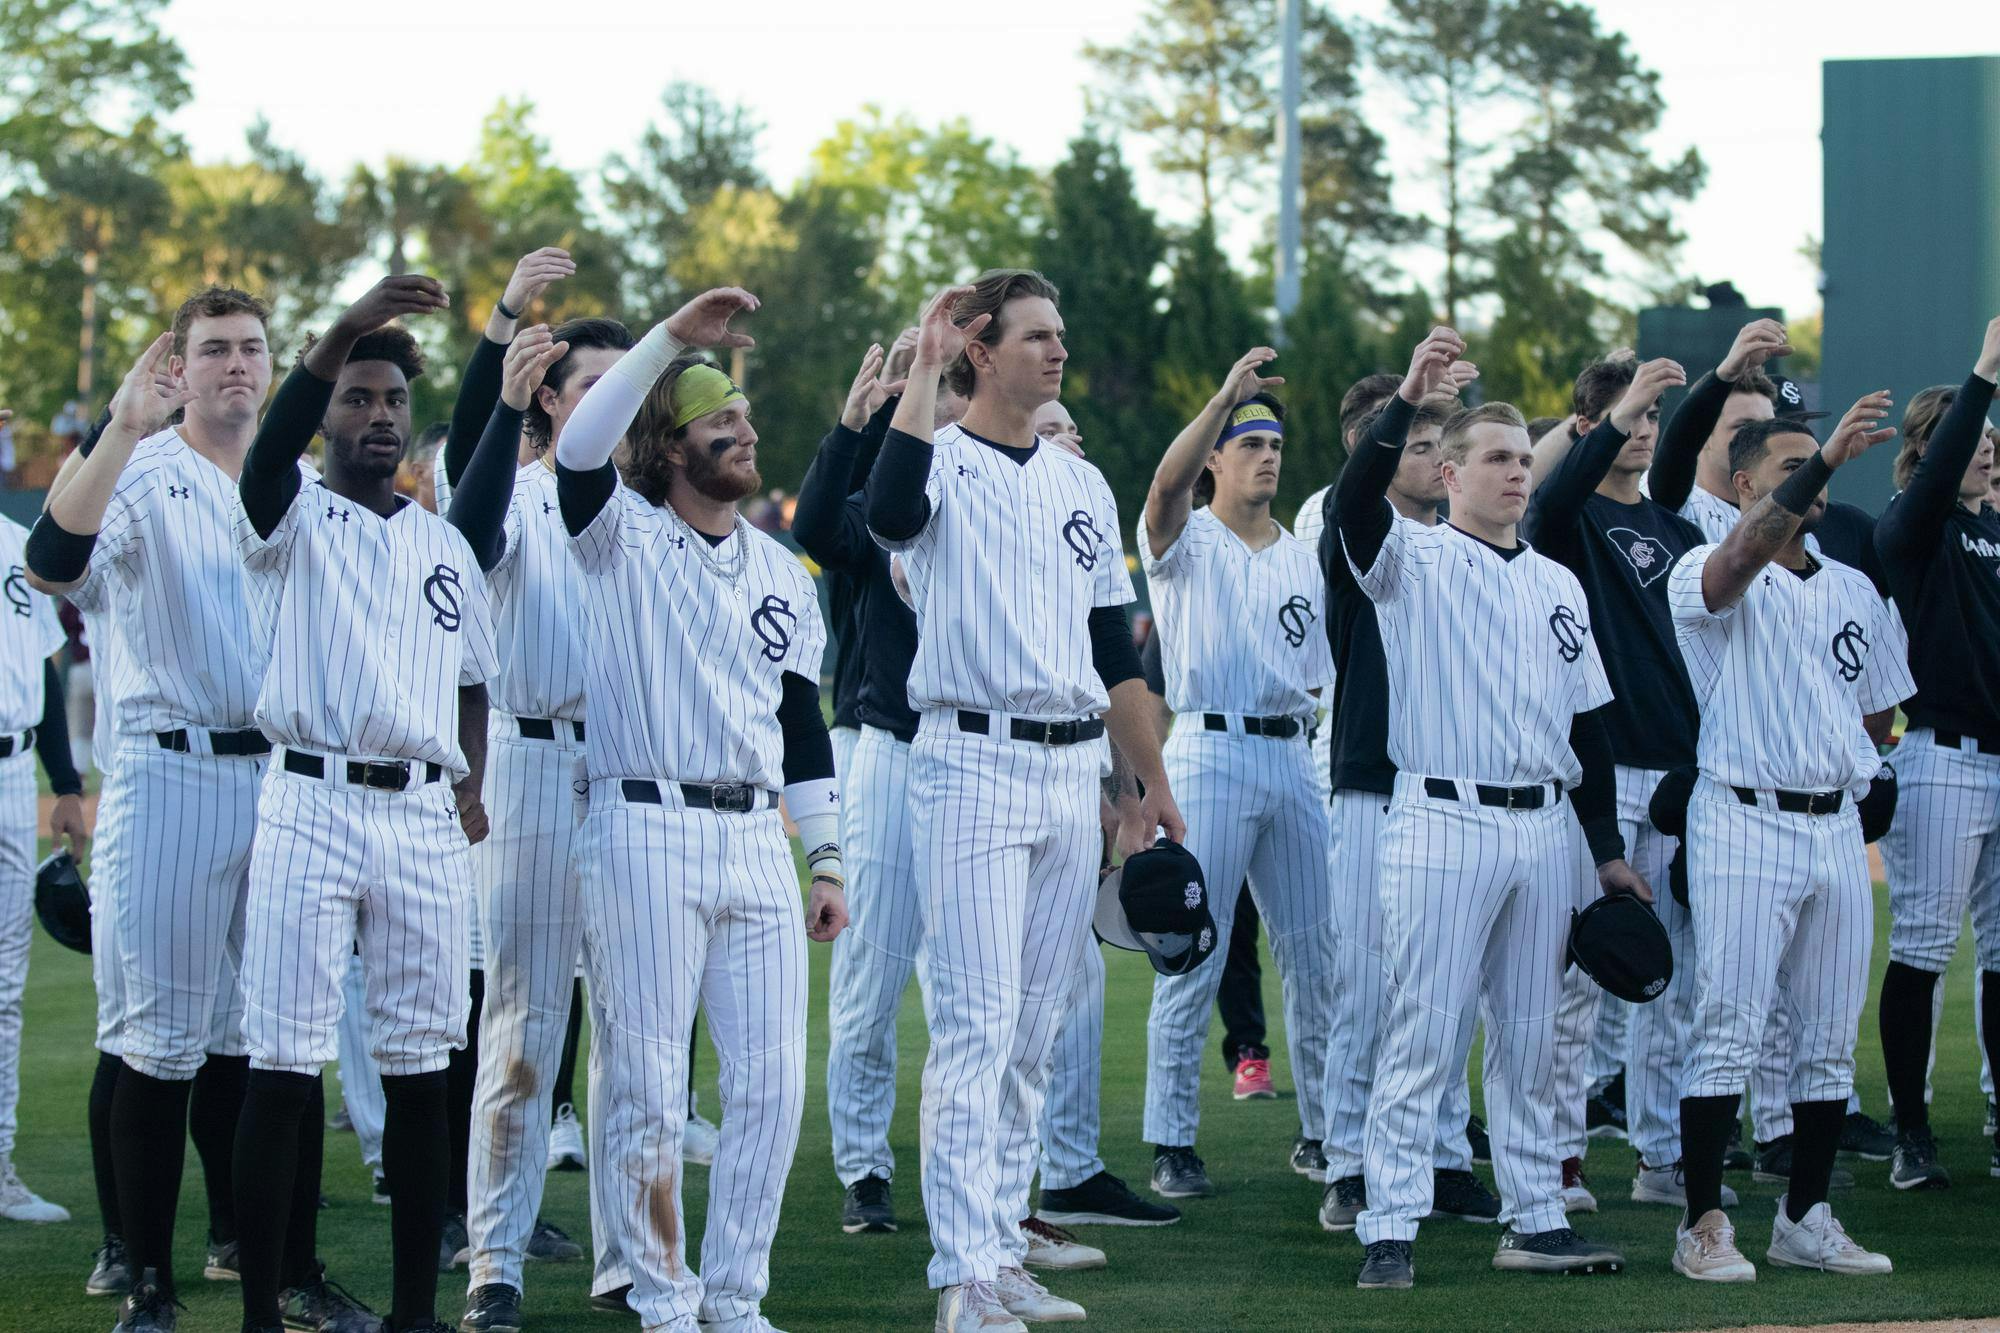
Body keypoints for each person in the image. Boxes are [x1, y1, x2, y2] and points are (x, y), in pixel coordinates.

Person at [25, 290, 352, 1332]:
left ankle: (287, 1269)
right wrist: (120, 425)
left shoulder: (298, 481)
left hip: (289, 778)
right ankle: (149, 1282)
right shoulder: (145, 470)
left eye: (252, 348)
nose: (236, 366)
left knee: (283, 1043)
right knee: (158, 1044)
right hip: (170, 771)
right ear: (181, 364)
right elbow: (51, 563)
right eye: (213, 348)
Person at [867, 273, 1183, 1333]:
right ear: (981, 350)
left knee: (1032, 1029)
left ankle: (1000, 1247)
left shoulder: (1080, 486)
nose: (1055, 351)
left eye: (1060, 333)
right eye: (1035, 335)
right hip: (968, 760)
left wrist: (1143, 782)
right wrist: (919, 364)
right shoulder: (933, 456)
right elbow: (885, 511)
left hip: (1065, 768)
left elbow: (1111, 650)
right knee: (973, 1024)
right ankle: (962, 1278)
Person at [551, 284, 850, 1332]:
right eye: (717, 420)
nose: (743, 431)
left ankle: (735, 1294)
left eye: (745, 418)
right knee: (646, 1085)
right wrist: (671, 338)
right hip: (641, 824)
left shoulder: (779, 567)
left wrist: (823, 857)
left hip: (753, 837)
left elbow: (800, 723)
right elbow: (580, 449)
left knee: (771, 1089)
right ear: (667, 444)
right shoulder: (615, 531)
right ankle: (663, 1297)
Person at [1339, 328, 1638, 1289]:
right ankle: (1389, 1223)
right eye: (1496, 458)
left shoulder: (1557, 582)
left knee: (1532, 1035)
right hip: (1441, 816)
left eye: (1521, 457)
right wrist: (1407, 404)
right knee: (1425, 1025)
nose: (1516, 473)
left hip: (1545, 824)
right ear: (1447, 471)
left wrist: (1604, 848)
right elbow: (1352, 503)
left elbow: (1588, 728)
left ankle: (1535, 1214)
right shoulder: (1408, 561)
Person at [228, 273, 498, 1333]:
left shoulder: (440, 543)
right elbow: (268, 446)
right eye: (356, 397)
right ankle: (259, 1309)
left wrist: (470, 773)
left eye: (391, 401)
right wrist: (343, 325)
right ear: (326, 415)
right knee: (284, 1064)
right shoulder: (288, 511)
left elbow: (474, 671)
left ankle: (414, 1316)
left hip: (419, 813)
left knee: (423, 1064)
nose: (377, 415)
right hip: (307, 798)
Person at [1666, 395, 1915, 1282]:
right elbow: (1740, 558)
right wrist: (1828, 460)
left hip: (1834, 825)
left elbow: (1881, 696)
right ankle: (1701, 1222)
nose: (1815, 478)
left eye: (1817, 466)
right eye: (1791, 466)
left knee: (1827, 1034)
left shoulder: (1851, 583)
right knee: (1727, 1025)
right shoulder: (1708, 564)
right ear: (1742, 484)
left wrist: (1869, 762)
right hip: (1741, 815)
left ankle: (1805, 1213)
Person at [422, 251, 616, 1333]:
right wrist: (499, 346)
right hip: (533, 764)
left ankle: (639, 1260)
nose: (608, 405)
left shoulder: (654, 514)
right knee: (518, 1028)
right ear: (549, 397)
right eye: (589, 385)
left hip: (635, 779)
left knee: (635, 1040)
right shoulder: (515, 485)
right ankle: (490, 1256)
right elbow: (467, 529)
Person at [1522, 354, 1737, 1215]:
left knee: (1669, 981)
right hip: (1596, 777)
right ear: (1588, 426)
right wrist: (1625, 408)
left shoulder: (1680, 532)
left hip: (1677, 772)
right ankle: (1560, 1160)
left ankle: (1660, 1156)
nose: (1645, 427)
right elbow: (1556, 492)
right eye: (1629, 414)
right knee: (1574, 983)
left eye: (1653, 415)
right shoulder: (1562, 521)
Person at [1134, 349, 1339, 1197]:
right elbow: (1159, 493)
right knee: (1193, 951)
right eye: (1247, 441)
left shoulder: (1303, 557)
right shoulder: (1186, 539)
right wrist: (1224, 397)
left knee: (1317, 955)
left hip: (1291, 752)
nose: (1265, 453)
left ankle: (1329, 1130)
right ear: (1217, 454)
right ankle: (1172, 1139)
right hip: (1210, 747)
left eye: (1273, 443)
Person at [1311, 389, 1498, 1234]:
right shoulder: (1360, 539)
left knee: (1448, 989)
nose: (1429, 457)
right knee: (1366, 983)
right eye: (1416, 445)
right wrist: (1404, 409)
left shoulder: (1467, 553)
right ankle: (1349, 1162)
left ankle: (1445, 1154)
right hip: (1370, 782)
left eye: (1438, 446)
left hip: (1452, 792)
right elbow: (1356, 493)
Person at [1872, 314, 2000, 1192]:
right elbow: (1931, 493)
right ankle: (1910, 1128)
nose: (1988, 452)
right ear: (1932, 449)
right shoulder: (1915, 529)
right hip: (1942, 758)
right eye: (1973, 441)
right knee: (1922, 945)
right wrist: (1984, 371)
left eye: (1994, 439)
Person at [0, 508, 90, 1223]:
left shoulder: (15, 543)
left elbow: (42, 670)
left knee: (3, 985)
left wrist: (63, 783)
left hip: (9, 776)